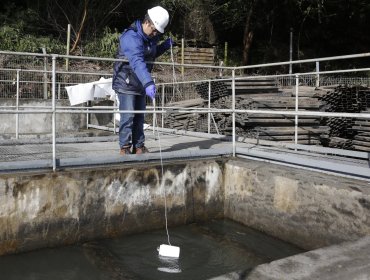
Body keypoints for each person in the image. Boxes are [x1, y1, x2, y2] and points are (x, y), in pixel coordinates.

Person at [112, 6, 174, 155]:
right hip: (126, 81)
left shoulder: (150, 38)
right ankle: (125, 148)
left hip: (140, 82)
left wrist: (164, 47)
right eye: (154, 31)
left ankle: (139, 147)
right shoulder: (131, 37)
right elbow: (137, 61)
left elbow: (150, 54)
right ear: (147, 23)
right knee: (128, 116)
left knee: (140, 116)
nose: (155, 34)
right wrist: (148, 82)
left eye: (158, 33)